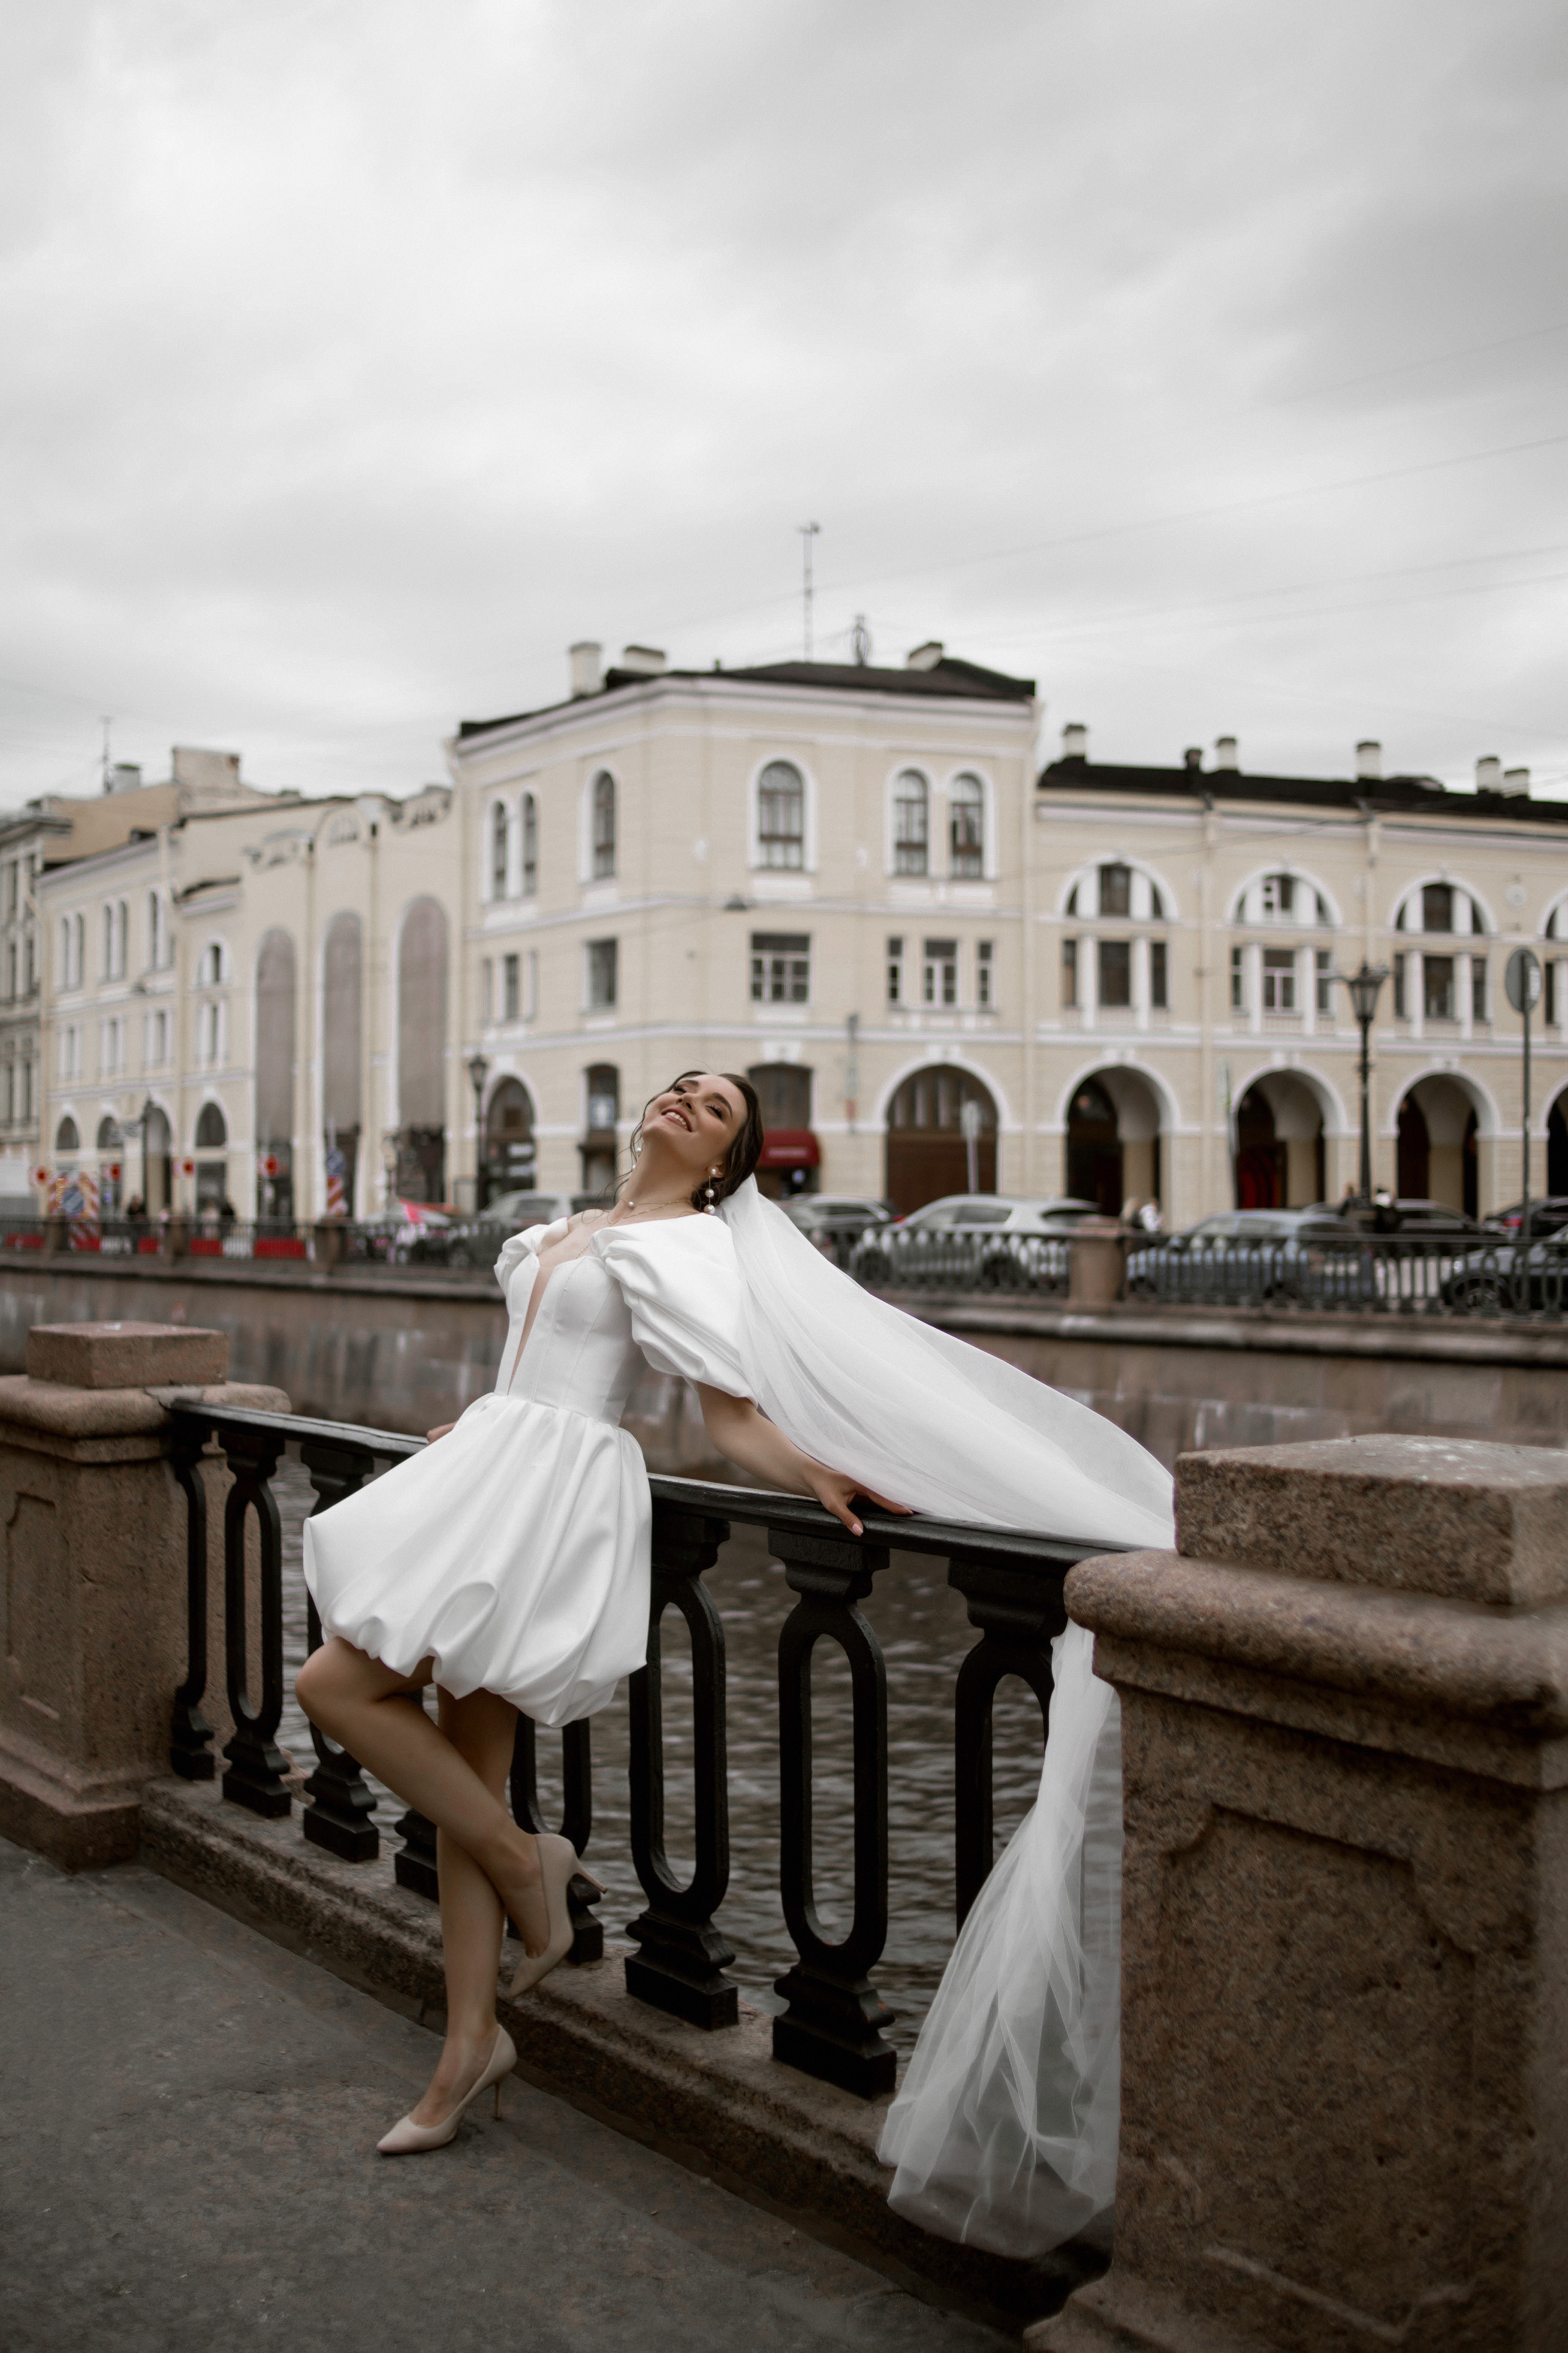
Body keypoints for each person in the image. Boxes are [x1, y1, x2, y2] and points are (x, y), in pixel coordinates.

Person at [297, 1069, 1173, 2176]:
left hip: (552, 1491)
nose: (682, 1103)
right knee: (463, 1777)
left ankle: (524, 1875)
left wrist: (817, 1475)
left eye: (712, 1110)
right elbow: (532, 1356)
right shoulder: (572, 1226)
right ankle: (476, 2023)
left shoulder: (689, 1246)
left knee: (333, 1685)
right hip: (488, 1469)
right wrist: (475, 1427)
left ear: (724, 1165)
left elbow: (727, 1413)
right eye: (680, 1090)